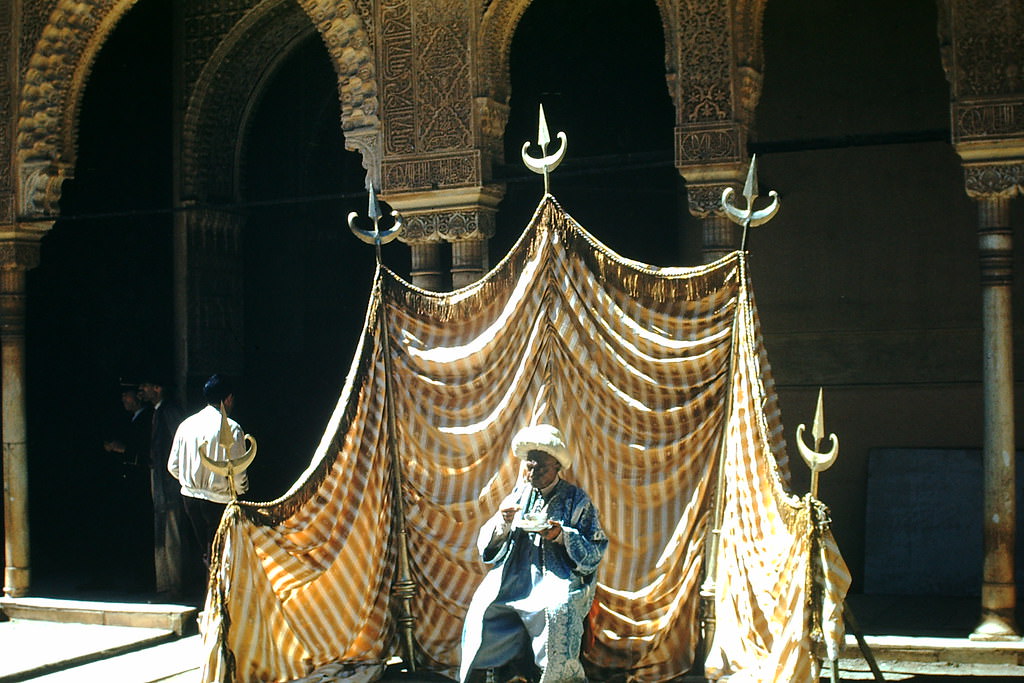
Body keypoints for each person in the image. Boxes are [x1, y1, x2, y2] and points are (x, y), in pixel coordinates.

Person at [460, 424, 607, 683]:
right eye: (530, 465)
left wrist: (562, 535)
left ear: (557, 468)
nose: (533, 472)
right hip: (517, 577)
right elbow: (488, 546)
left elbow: (595, 549)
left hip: (557, 578)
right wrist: (504, 521)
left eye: (541, 467)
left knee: (557, 609)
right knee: (484, 606)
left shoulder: (577, 500)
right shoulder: (519, 494)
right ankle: (495, 673)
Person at [168, 373, 249, 572]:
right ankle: (218, 600)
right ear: (228, 399)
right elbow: (238, 473)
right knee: (221, 556)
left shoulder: (186, 425)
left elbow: (173, 466)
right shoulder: (231, 428)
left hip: (191, 499)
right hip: (219, 501)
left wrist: (191, 481)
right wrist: (241, 490)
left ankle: (211, 598)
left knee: (208, 554)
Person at [139, 372, 188, 599]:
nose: (142, 390)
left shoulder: (169, 411)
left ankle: (174, 586)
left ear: (157, 388)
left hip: (169, 486)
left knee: (172, 535)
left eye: (146, 385)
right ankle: (165, 585)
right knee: (163, 533)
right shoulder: (158, 412)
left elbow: (182, 447)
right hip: (160, 484)